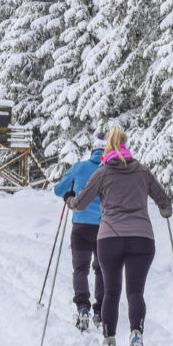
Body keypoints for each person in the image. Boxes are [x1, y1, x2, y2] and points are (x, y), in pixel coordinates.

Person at [65, 126, 172, 346]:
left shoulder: (102, 174)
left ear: (107, 149)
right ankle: (136, 335)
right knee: (135, 292)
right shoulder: (143, 171)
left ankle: (108, 342)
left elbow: (81, 203)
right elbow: (163, 201)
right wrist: (165, 211)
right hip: (142, 238)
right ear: (125, 145)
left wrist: (69, 200)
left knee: (112, 292)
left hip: (110, 238)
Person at [53, 132, 106, 331]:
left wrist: (70, 193)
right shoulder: (109, 169)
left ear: (92, 150)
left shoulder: (80, 167)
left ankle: (82, 307)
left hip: (81, 226)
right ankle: (100, 311)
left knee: (80, 269)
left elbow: (59, 190)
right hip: (104, 227)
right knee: (101, 269)